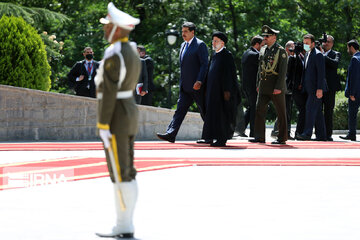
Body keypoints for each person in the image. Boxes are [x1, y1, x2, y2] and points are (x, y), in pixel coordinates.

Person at [95, 2, 141, 239]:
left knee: (120, 171)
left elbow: (108, 92)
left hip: (116, 117)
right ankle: (124, 223)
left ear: (119, 29)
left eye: (109, 26)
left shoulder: (115, 54)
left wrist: (103, 124)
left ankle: (123, 226)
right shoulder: (131, 51)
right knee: (126, 169)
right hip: (128, 112)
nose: (105, 30)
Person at [156, 22, 208, 143]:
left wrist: (199, 80)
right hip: (185, 87)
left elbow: (204, 64)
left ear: (192, 32)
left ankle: (212, 135)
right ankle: (171, 134)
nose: (183, 34)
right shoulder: (183, 45)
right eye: (182, 31)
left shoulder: (200, 45)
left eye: (185, 31)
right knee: (179, 111)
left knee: (204, 111)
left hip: (197, 86)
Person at [249, 25, 288, 144]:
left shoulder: (281, 51)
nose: (265, 38)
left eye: (268, 36)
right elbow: (260, 68)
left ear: (274, 37)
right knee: (259, 110)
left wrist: (278, 87)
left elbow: (282, 71)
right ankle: (259, 136)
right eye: (264, 36)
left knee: (281, 112)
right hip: (263, 86)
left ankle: (282, 137)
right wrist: (258, 83)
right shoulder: (263, 49)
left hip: (275, 86)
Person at [201, 31, 240, 147]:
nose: (213, 43)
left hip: (222, 92)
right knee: (212, 115)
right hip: (212, 92)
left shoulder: (227, 55)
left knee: (221, 116)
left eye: (216, 41)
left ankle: (221, 139)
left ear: (222, 43)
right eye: (213, 41)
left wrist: (227, 91)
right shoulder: (214, 55)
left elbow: (230, 74)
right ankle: (210, 137)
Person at [296, 34, 327, 141]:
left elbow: (321, 73)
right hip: (308, 88)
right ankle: (322, 135)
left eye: (307, 43)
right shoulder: (307, 54)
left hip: (315, 89)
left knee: (309, 109)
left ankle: (307, 133)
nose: (305, 45)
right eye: (304, 43)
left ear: (313, 44)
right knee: (317, 112)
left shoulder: (318, 55)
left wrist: (320, 88)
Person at [240, 35, 264, 138]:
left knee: (251, 107)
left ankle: (240, 128)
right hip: (253, 86)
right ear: (257, 44)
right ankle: (253, 132)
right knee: (255, 108)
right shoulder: (255, 55)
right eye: (262, 45)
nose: (263, 47)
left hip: (246, 86)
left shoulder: (246, 52)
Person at [271, 40, 295, 139]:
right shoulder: (283, 58)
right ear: (286, 48)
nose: (293, 50)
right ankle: (279, 131)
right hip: (284, 88)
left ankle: (280, 131)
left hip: (289, 88)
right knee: (284, 110)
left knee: (286, 110)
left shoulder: (293, 58)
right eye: (291, 47)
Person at [340, 40, 360, 141]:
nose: (347, 50)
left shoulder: (355, 59)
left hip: (356, 93)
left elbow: (354, 78)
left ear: (352, 47)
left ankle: (352, 134)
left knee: (352, 114)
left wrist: (352, 93)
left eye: (348, 48)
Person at [322, 35, 341, 141]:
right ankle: (320, 133)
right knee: (318, 111)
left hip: (330, 88)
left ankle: (328, 134)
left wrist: (323, 55)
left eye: (328, 42)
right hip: (319, 87)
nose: (326, 43)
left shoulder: (336, 54)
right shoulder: (318, 53)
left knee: (329, 111)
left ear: (332, 44)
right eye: (325, 42)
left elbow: (335, 64)